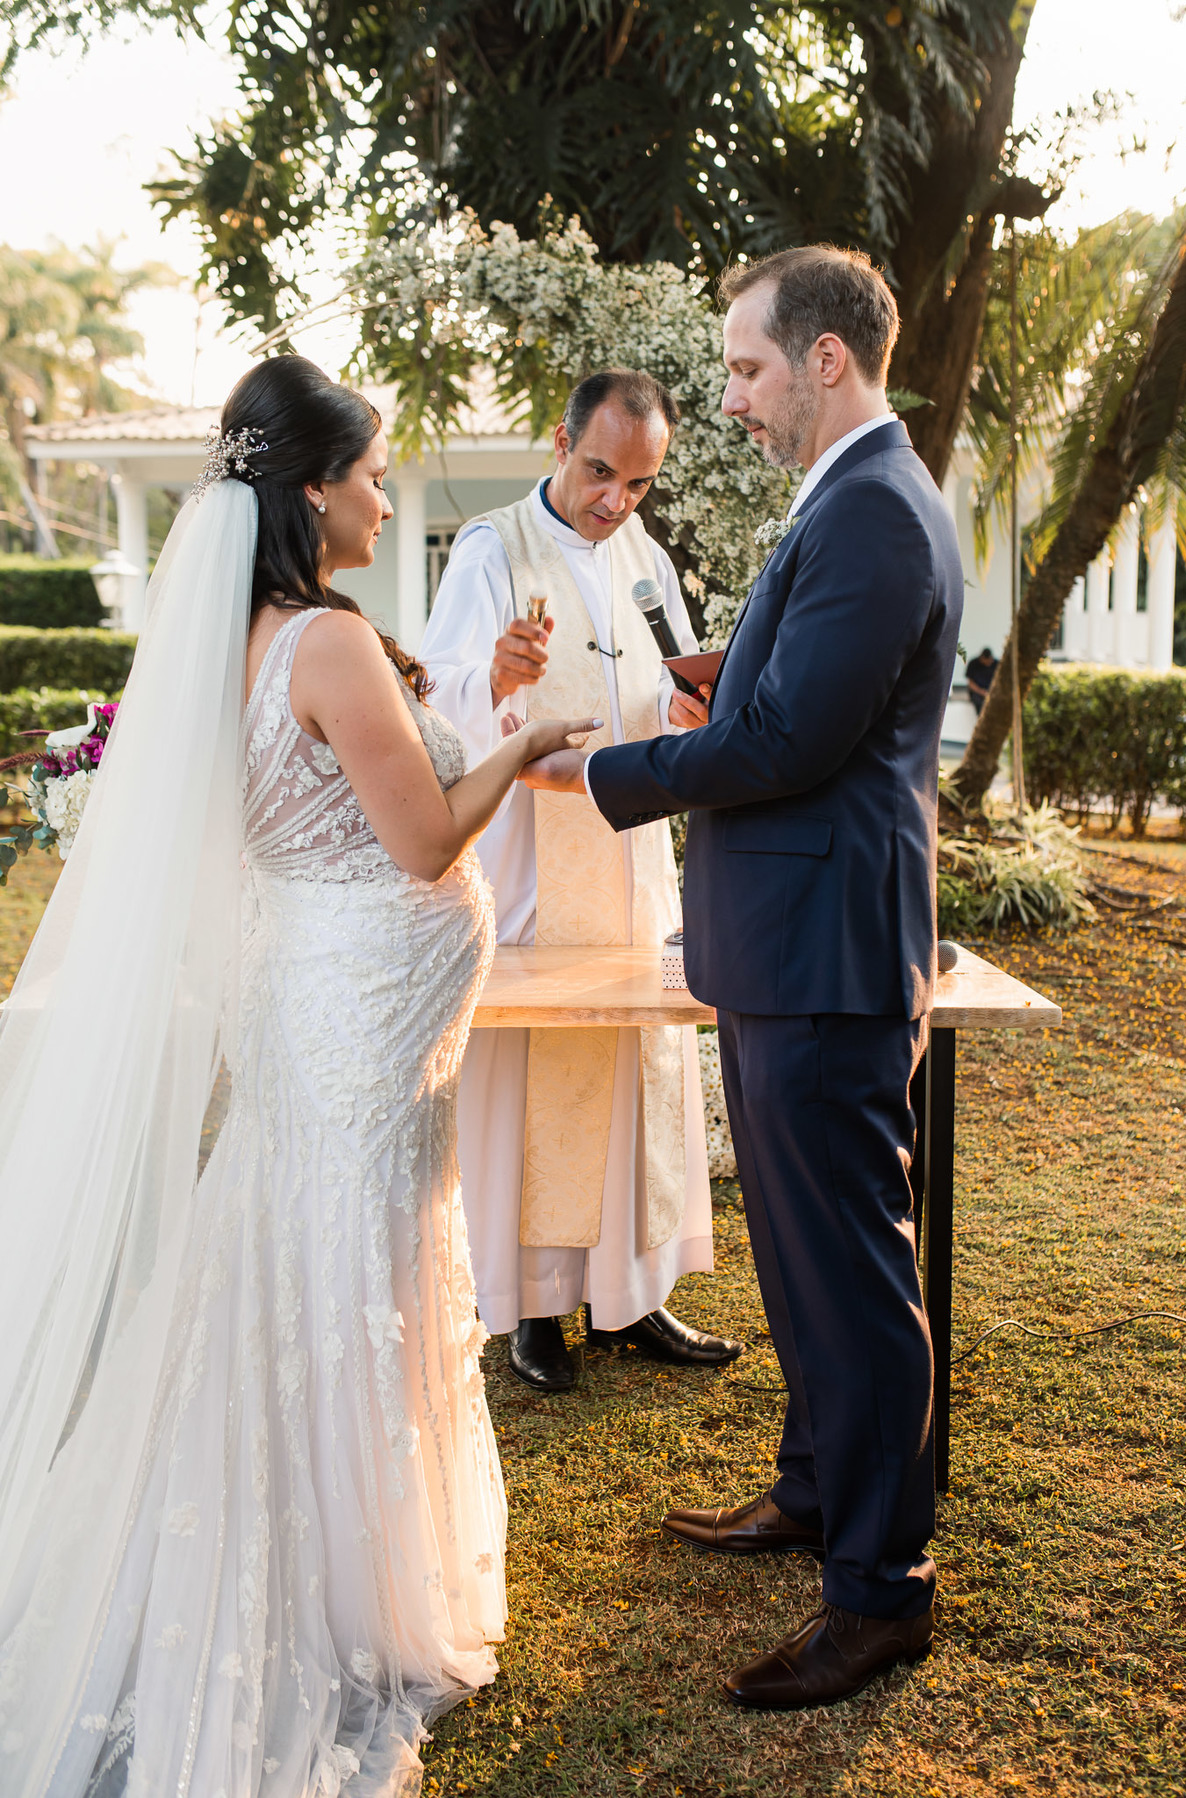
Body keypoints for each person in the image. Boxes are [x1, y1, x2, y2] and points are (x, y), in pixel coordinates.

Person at [0, 356, 596, 1796]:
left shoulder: (260, 636)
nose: (390, 498)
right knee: (352, 1274)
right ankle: (344, 1589)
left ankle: (336, 1553)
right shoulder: (324, 640)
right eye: (378, 473)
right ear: (315, 487)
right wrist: (520, 742)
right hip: (353, 1023)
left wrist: (460, 700)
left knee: (312, 1265)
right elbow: (422, 839)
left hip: (327, 1005)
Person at [518, 247, 964, 1708]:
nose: (732, 396)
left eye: (747, 367)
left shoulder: (881, 515)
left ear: (827, 358)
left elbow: (788, 748)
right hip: (791, 946)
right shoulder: (846, 501)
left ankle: (882, 1587)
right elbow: (788, 698)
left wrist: (610, 768)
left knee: (850, 1267)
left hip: (831, 953)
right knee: (800, 1257)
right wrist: (731, 665)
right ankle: (820, 1489)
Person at [420, 368, 741, 1394]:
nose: (615, 501)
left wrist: (690, 714)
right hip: (531, 856)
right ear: (560, 440)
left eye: (638, 484)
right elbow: (439, 702)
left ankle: (632, 1292)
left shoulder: (642, 558)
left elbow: (663, 683)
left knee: (637, 1063)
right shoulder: (490, 551)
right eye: (602, 471)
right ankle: (532, 1308)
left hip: (629, 851)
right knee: (535, 1072)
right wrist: (496, 681)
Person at [965, 645, 996, 713]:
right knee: (979, 703)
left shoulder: (996, 664)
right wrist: (982, 692)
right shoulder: (973, 663)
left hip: (992, 691)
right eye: (987, 661)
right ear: (982, 658)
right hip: (977, 692)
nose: (989, 662)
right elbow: (970, 683)